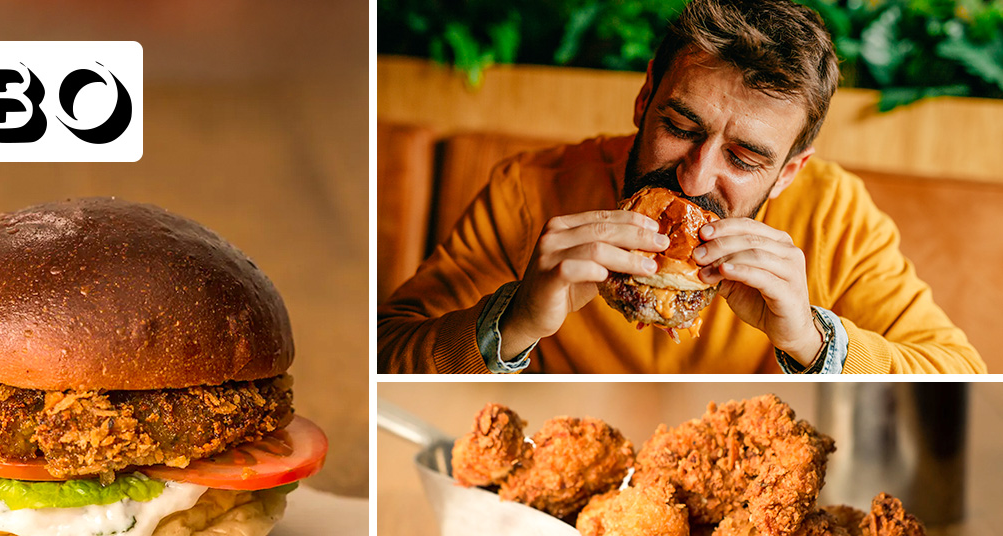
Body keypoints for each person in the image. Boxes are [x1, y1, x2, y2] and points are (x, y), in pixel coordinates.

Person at [376, 0, 985, 374]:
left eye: (745, 158)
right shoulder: (529, 192)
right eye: (678, 126)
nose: (693, 178)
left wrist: (810, 337)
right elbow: (387, 354)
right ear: (645, 100)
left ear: (790, 172)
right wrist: (516, 319)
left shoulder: (833, 212)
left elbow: (959, 372)